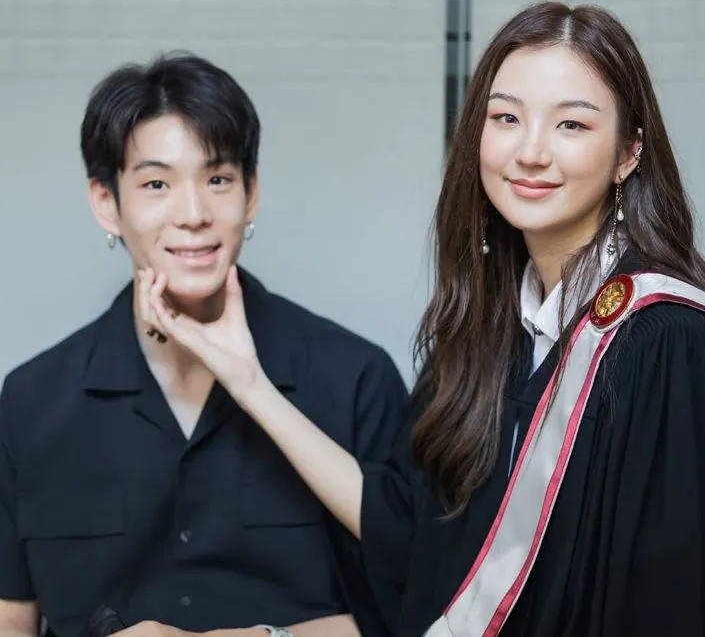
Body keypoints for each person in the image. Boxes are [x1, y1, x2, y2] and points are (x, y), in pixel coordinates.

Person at [134, 1, 705, 637]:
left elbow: (670, 601)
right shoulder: (490, 333)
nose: (530, 151)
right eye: (506, 118)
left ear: (629, 152)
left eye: (571, 125)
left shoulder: (662, 340)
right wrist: (248, 382)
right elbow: (410, 534)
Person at [0, 53, 409, 637]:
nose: (193, 214)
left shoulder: (356, 379)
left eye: (218, 180)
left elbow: (417, 607)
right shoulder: (31, 401)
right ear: (107, 204)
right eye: (156, 184)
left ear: (251, 193)